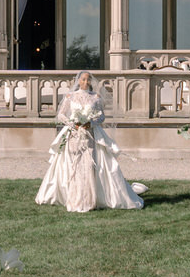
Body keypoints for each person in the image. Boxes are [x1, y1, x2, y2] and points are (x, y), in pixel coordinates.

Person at [36, 71, 143, 212]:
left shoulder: (96, 98)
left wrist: (90, 123)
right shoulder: (70, 97)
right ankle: (74, 197)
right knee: (74, 165)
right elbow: (61, 114)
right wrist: (72, 123)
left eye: (88, 80)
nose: (86, 82)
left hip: (90, 135)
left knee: (89, 165)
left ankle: (90, 198)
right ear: (78, 80)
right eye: (83, 79)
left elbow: (102, 117)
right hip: (73, 134)